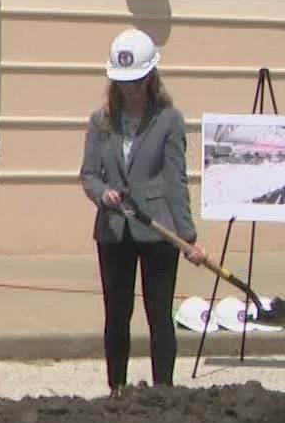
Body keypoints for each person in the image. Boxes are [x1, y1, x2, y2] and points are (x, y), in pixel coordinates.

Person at [79, 28, 205, 396]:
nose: (129, 89)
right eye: (122, 82)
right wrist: (103, 194)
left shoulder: (169, 120)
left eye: (135, 81)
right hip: (114, 232)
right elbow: (88, 175)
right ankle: (116, 387)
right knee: (116, 314)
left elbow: (174, 180)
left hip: (158, 231)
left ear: (151, 77)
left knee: (158, 314)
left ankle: (163, 389)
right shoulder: (100, 121)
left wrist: (187, 238)